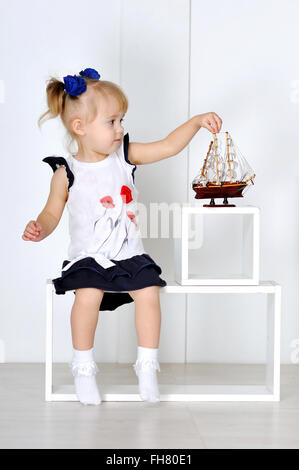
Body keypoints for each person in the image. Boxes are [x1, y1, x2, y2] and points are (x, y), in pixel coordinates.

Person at [22, 67, 222, 406]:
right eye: (111, 122)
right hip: (89, 258)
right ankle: (83, 367)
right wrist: (40, 227)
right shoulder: (66, 172)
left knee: (148, 292)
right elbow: (52, 212)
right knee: (88, 294)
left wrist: (196, 121)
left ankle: (147, 366)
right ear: (80, 127)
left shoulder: (124, 157)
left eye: (121, 120)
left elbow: (169, 146)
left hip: (129, 255)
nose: (121, 129)